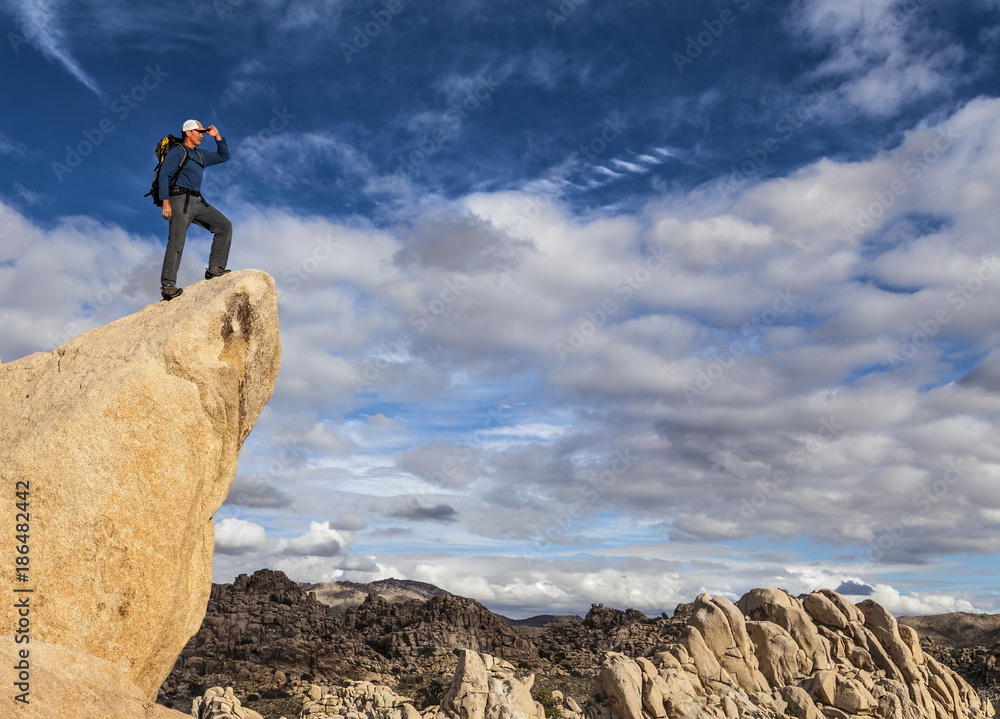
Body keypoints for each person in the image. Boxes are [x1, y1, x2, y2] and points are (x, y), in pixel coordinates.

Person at [159, 119, 233, 300]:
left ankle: (215, 268)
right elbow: (164, 174)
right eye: (198, 132)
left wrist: (217, 136)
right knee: (176, 243)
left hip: (197, 201)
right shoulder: (178, 152)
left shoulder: (200, 155)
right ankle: (168, 285)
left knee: (224, 226)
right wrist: (165, 202)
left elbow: (224, 156)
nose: (201, 135)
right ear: (188, 133)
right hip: (179, 201)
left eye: (202, 132)